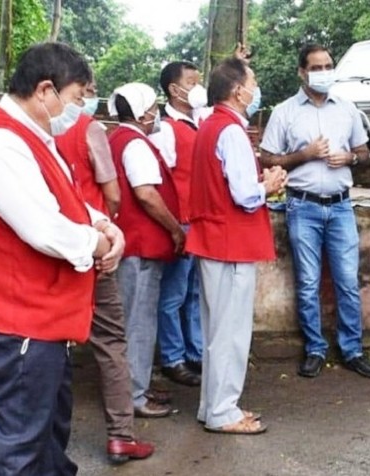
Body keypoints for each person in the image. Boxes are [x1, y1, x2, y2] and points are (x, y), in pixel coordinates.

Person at [0, 41, 124, 475]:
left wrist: (105, 226)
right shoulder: (0, 142)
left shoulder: (35, 136)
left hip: (41, 316)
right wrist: (98, 243)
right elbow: (42, 226)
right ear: (45, 90)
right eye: (76, 97)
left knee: (47, 433)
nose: (78, 108)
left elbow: (63, 201)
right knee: (20, 445)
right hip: (18, 317)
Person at [259, 45, 370, 380]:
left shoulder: (347, 109)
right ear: (302, 72)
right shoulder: (285, 112)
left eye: (328, 65)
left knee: (347, 282)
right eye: (316, 67)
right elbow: (267, 157)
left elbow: (365, 152)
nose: (324, 71)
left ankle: (352, 350)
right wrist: (305, 155)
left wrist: (351, 158)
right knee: (308, 282)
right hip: (302, 205)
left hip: (341, 205)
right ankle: (315, 349)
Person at [54, 81, 154, 464]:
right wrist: (108, 229)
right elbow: (111, 192)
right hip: (93, 245)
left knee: (51, 341)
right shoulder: (89, 128)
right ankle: (120, 436)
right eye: (84, 90)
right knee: (111, 340)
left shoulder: (31, 132)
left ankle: (48, 439)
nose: (86, 98)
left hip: (51, 247)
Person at [187, 57, 286, 434]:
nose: (254, 89)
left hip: (214, 239)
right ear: (237, 90)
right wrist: (270, 184)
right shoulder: (230, 131)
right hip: (230, 241)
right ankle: (223, 410)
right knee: (230, 332)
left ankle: (212, 406)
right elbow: (245, 195)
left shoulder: (210, 126)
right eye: (252, 82)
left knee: (217, 330)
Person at [107, 82, 184, 418]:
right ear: (141, 114)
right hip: (140, 244)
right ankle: (135, 396)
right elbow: (147, 194)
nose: (157, 113)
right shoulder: (135, 144)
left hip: (129, 242)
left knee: (131, 318)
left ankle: (134, 386)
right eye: (153, 107)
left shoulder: (115, 139)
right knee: (139, 321)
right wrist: (175, 228)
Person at [152, 61, 207, 388]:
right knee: (173, 294)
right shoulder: (166, 128)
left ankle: (194, 350)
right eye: (191, 81)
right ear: (174, 89)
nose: (197, 87)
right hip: (182, 219)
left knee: (194, 292)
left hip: (198, 219)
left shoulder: (198, 121)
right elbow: (161, 178)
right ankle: (173, 357)